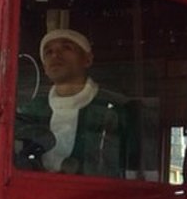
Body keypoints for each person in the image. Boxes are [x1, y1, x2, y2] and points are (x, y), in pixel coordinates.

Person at [17, 28, 133, 177]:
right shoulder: (30, 110)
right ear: (44, 67)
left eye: (66, 48)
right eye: (48, 52)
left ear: (88, 59)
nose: (55, 55)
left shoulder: (113, 109)